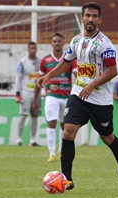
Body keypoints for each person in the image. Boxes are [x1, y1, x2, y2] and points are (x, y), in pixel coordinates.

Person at [37, 2, 118, 192]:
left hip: (100, 99)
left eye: (94, 16)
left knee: (107, 138)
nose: (90, 19)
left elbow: (113, 71)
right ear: (82, 18)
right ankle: (67, 180)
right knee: (67, 132)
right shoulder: (76, 40)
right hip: (78, 94)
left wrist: (92, 84)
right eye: (87, 15)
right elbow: (66, 63)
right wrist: (48, 76)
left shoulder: (104, 44)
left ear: (99, 19)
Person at [33, 33, 77, 162]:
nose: (57, 43)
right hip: (51, 95)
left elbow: (76, 74)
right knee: (52, 122)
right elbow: (39, 80)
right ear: (51, 44)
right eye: (54, 41)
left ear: (63, 43)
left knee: (65, 125)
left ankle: (62, 151)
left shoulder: (70, 59)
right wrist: (35, 99)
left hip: (66, 96)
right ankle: (51, 153)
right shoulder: (45, 60)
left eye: (59, 41)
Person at [15, 41, 41, 147]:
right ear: (28, 49)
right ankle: (19, 139)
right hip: (25, 92)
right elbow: (18, 78)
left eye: (34, 48)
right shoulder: (22, 62)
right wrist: (18, 93)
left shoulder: (40, 62)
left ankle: (33, 140)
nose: (33, 50)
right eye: (31, 48)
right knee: (23, 116)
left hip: (37, 93)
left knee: (35, 116)